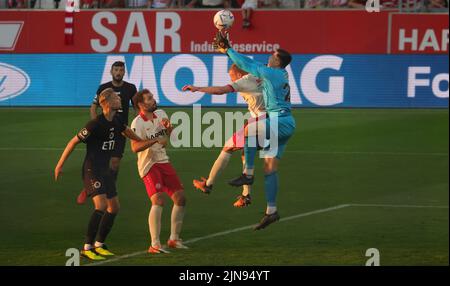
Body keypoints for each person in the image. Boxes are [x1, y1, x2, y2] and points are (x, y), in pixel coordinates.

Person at [214, 32, 296, 230]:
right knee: (269, 169)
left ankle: (248, 175)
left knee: (249, 130)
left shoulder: (272, 72)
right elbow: (248, 64)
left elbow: (247, 65)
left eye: (274, 55)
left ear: (278, 61)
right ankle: (271, 211)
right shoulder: (276, 73)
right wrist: (228, 50)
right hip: (285, 123)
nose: (270, 56)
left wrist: (228, 49)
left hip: (279, 121)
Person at [54, 88, 144, 260]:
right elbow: (73, 142)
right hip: (92, 170)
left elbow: (126, 131)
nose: (120, 99)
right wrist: (59, 165)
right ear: (108, 103)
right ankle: (87, 247)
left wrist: (141, 141)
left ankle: (99, 244)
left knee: (114, 207)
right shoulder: (95, 124)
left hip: (106, 171)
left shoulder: (116, 120)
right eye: (116, 97)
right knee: (101, 205)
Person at [182, 64, 266, 208]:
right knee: (245, 152)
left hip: (262, 122)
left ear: (239, 75)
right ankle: (246, 196)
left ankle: (208, 184)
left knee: (227, 147)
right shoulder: (259, 74)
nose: (231, 80)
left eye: (231, 76)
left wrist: (198, 88)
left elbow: (221, 90)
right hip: (274, 122)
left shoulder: (244, 81)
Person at [130, 89, 188, 254]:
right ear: (141, 104)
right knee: (159, 200)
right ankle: (154, 244)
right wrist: (155, 139)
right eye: (149, 99)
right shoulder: (137, 123)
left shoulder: (161, 114)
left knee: (181, 198)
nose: (153, 100)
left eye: (152, 97)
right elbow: (135, 147)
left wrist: (170, 130)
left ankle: (174, 239)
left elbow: (173, 139)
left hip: (163, 161)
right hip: (149, 165)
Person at [77, 61, 138, 204]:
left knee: (115, 163)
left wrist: (136, 124)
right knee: (101, 161)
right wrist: (97, 126)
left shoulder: (130, 88)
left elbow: (136, 107)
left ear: (124, 72)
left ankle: (110, 186)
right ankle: (90, 186)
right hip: (104, 132)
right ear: (111, 72)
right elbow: (93, 107)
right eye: (116, 69)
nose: (118, 72)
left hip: (121, 130)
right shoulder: (103, 88)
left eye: (121, 70)